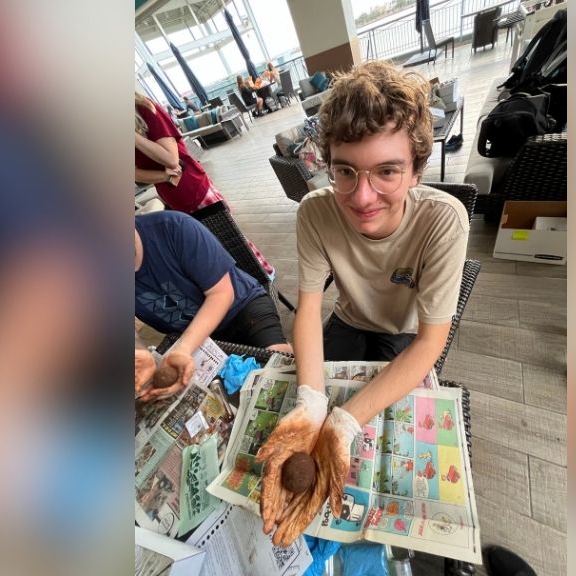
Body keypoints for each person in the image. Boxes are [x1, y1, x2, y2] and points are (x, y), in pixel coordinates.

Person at [256, 60, 468, 546]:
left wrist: (346, 418)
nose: (362, 196)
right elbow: (308, 308)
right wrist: (313, 404)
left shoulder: (443, 222)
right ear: (328, 164)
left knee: (373, 438)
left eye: (387, 172)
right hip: (347, 319)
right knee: (298, 402)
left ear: (416, 170)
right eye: (345, 172)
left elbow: (431, 338)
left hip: (403, 333)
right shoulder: (315, 211)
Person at [134, 211, 292, 401]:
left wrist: (183, 348)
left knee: (281, 364)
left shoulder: (174, 227)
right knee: (221, 397)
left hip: (241, 307)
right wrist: (138, 351)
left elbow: (221, 294)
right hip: (193, 334)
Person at [135, 91, 274, 276]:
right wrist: (165, 177)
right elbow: (135, 174)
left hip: (194, 189)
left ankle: (265, 276)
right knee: (209, 250)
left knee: (234, 242)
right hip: (173, 198)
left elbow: (170, 159)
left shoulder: (144, 107)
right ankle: (242, 284)